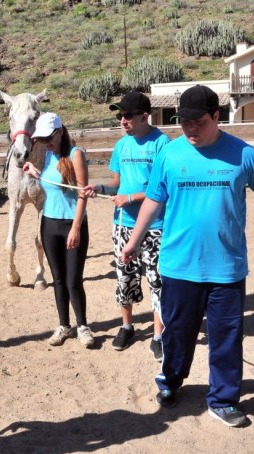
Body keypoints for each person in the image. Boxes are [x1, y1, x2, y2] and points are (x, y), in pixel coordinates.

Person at [122, 85, 254, 427]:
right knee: (177, 333)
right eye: (184, 122)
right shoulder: (169, 155)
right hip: (178, 265)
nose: (191, 129)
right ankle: (171, 381)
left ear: (217, 116)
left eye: (198, 122)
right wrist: (133, 241)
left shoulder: (243, 154)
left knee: (226, 337)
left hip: (227, 268)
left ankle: (223, 399)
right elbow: (154, 200)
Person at [82, 92, 169, 359]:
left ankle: (158, 335)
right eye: (120, 115)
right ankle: (127, 326)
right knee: (124, 277)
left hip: (155, 225)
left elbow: (163, 187)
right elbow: (116, 184)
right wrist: (100, 188)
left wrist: (131, 198)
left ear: (144, 116)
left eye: (127, 115)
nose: (122, 120)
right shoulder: (121, 145)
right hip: (123, 224)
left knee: (156, 280)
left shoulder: (162, 144)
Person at [22, 112, 94, 348]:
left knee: (74, 280)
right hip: (49, 224)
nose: (45, 143)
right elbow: (54, 182)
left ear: (60, 131)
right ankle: (64, 325)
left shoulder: (76, 154)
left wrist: (76, 228)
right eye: (41, 139)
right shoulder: (49, 156)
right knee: (58, 279)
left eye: (48, 138)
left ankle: (82, 326)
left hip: (72, 224)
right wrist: (35, 172)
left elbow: (82, 193)